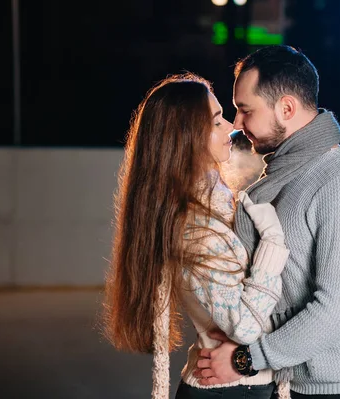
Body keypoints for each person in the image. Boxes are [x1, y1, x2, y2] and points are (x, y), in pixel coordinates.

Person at [193, 45, 340, 398]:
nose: (237, 124)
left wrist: (246, 359)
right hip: (293, 383)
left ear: (286, 108)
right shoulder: (279, 179)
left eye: (246, 110)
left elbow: (336, 309)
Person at [101, 72, 293, 399]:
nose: (232, 126)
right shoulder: (195, 228)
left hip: (237, 386)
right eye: (216, 121)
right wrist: (273, 247)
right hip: (229, 391)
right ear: (186, 137)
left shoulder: (214, 202)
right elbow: (245, 328)